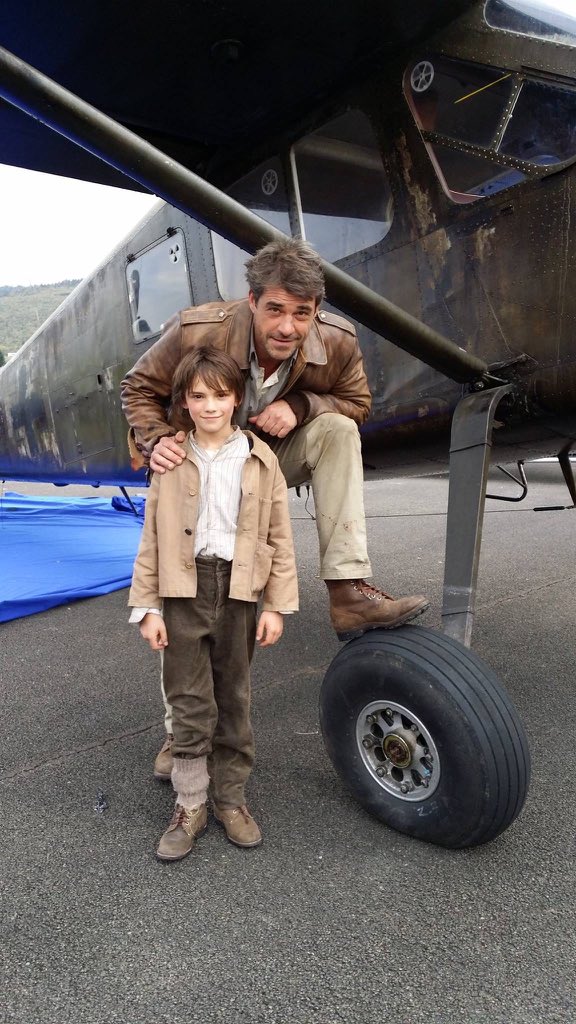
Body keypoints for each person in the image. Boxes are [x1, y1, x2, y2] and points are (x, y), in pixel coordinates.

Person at [122, 237, 428, 782]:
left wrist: (303, 403)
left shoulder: (336, 342)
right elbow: (138, 387)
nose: (288, 327)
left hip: (262, 463)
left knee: (336, 430)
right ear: (251, 301)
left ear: (317, 312)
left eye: (303, 314)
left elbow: (356, 404)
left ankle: (347, 589)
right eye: (276, 310)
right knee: (185, 600)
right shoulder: (200, 330)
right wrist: (154, 441)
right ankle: (182, 735)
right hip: (196, 468)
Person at [128, 346, 298, 861]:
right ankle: (190, 803)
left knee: (235, 699)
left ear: (237, 399)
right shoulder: (171, 459)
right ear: (183, 401)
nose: (209, 406)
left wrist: (276, 604)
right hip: (185, 589)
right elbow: (152, 539)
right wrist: (148, 607)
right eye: (198, 396)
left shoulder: (261, 459)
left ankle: (230, 799)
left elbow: (280, 535)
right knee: (189, 700)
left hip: (241, 590)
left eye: (220, 395)